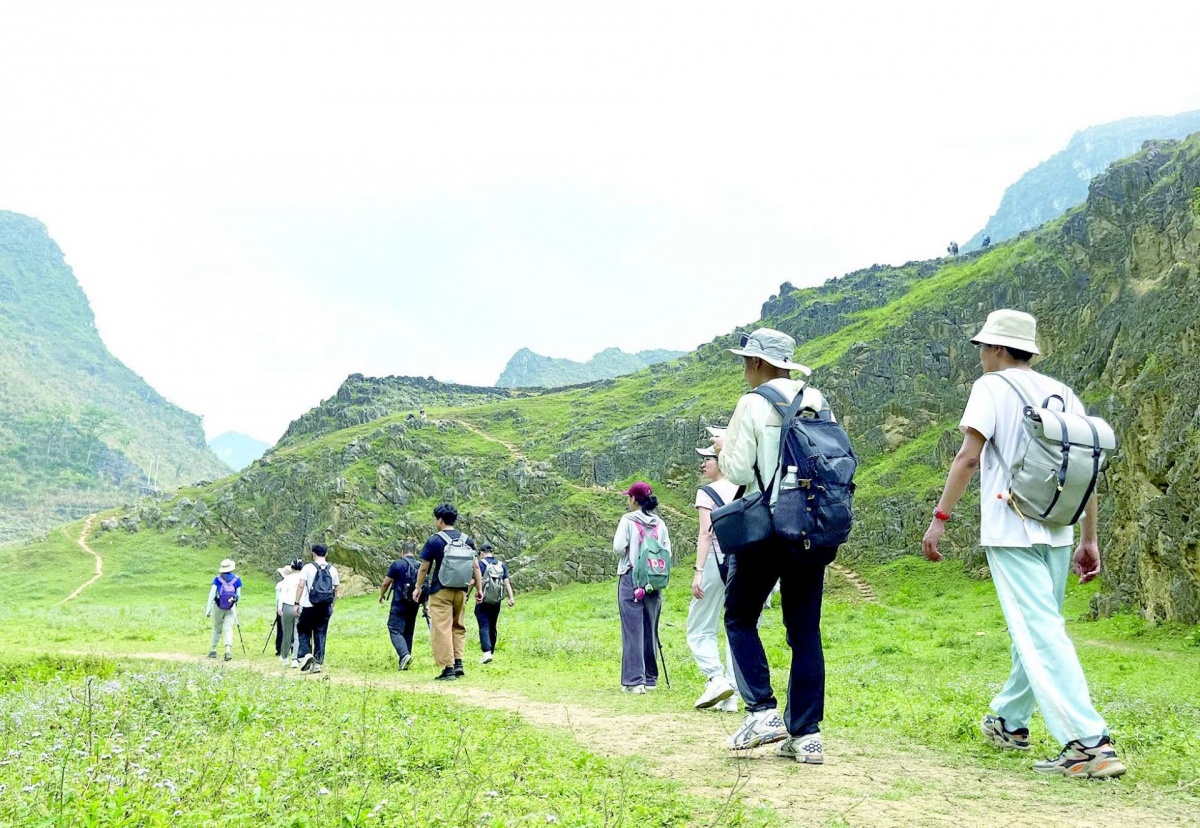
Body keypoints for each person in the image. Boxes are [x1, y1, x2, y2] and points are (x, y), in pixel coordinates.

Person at [922, 309, 1125, 779]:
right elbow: (1086, 472)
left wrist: (940, 520)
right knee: (1037, 627)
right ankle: (1010, 722)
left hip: (1011, 527)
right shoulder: (1065, 393)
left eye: (982, 348)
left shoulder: (990, 389)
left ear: (995, 348)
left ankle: (1090, 743)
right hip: (1058, 528)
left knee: (1039, 631)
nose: (980, 355)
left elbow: (968, 458)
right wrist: (1088, 539)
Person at [712, 327, 834, 763]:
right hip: (810, 527)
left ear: (760, 364)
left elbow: (740, 470)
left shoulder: (753, 402)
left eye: (747, 361)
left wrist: (724, 447)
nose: (745, 370)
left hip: (765, 528)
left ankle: (762, 710)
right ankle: (807, 734)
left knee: (739, 617)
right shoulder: (816, 399)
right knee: (804, 632)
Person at [687, 446, 741, 713]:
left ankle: (716, 679)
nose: (703, 464)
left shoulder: (706, 493)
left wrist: (698, 572)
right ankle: (732, 694)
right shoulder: (746, 485)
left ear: (721, 461)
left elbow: (706, 534)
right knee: (737, 627)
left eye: (707, 459)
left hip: (716, 562)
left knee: (699, 627)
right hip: (744, 563)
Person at [412, 504, 483, 681]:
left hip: (440, 590)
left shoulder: (435, 540)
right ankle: (458, 662)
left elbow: (424, 568)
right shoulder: (467, 540)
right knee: (458, 626)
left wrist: (418, 587)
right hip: (461, 590)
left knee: (442, 627)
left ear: (440, 520)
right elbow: (475, 567)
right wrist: (479, 589)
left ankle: (448, 667)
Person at [612, 481, 670, 695]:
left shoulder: (628, 520)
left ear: (634, 499)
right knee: (650, 627)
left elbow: (619, 548)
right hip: (654, 580)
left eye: (629, 497)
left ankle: (635, 681)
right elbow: (667, 552)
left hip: (631, 578)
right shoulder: (660, 524)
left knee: (632, 628)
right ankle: (650, 678)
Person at [294, 544, 340, 674]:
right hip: (325, 606)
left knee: (303, 628)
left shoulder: (308, 567)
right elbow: (336, 589)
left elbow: (301, 585)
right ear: (326, 554)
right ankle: (317, 664)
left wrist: (296, 603)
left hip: (309, 605)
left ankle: (307, 654)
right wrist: (332, 605)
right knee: (320, 633)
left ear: (313, 554)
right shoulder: (333, 569)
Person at [379, 543, 422, 670]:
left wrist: (382, 595)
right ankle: (404, 661)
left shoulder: (397, 564)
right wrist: (425, 604)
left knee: (394, 628)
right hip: (414, 603)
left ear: (402, 551)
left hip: (399, 602)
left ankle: (404, 655)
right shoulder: (420, 566)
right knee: (408, 631)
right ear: (414, 552)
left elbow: (386, 583)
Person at [474, 542, 515, 664]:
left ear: (481, 552)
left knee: (484, 625)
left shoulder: (480, 564)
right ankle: (491, 652)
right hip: (496, 601)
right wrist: (511, 598)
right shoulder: (501, 565)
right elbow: (506, 582)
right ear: (493, 552)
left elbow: (473, 581)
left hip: (482, 599)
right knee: (492, 626)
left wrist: (466, 596)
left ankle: (486, 653)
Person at [206, 559, 242, 661]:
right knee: (228, 628)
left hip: (218, 606)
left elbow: (212, 594)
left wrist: (208, 609)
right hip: (231, 607)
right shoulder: (237, 580)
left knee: (217, 628)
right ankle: (227, 651)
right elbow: (238, 596)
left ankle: (213, 650)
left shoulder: (217, 579)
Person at [275, 559, 303, 667]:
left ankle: (285, 656)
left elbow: (282, 594)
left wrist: (279, 607)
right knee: (297, 633)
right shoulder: (303, 578)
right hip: (299, 606)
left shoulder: (287, 579)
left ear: (291, 567)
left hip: (287, 606)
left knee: (286, 632)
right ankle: (295, 658)